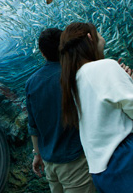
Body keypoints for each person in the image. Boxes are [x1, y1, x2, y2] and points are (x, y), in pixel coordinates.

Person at [59, 22, 133, 193]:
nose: (102, 37)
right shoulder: (104, 66)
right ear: (90, 38)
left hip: (101, 170)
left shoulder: (73, 80)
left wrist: (126, 81)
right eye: (98, 32)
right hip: (124, 158)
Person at [26, 28, 95, 192]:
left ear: (42, 53)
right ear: (64, 47)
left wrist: (37, 154)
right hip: (75, 160)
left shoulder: (31, 82)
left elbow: (33, 125)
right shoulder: (74, 75)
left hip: (50, 162)